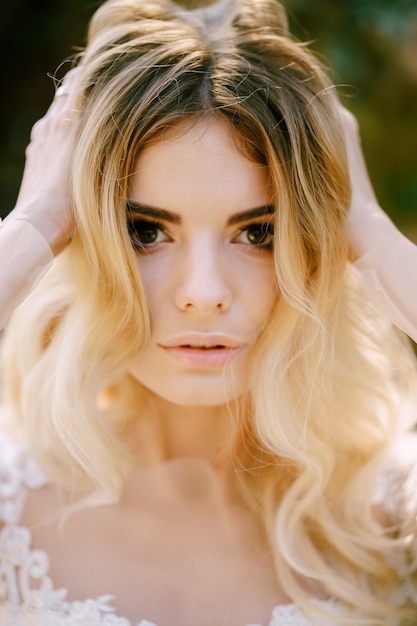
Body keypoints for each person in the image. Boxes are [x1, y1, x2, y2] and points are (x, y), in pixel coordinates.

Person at [0, 0, 416, 624]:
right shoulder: (11, 506)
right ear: (80, 235)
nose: (203, 292)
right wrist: (34, 220)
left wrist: (369, 229)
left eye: (259, 233)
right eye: (143, 229)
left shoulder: (384, 509)